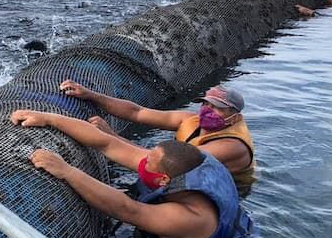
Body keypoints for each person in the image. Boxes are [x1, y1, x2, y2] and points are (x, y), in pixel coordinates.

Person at [10, 110, 255, 238]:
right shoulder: (180, 166)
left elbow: (127, 209)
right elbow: (106, 143)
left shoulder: (189, 217)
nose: (142, 160)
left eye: (149, 162)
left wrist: (66, 171)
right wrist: (48, 119)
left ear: (163, 180)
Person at [58, 80, 257, 197]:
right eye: (206, 104)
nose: (207, 111)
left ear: (235, 116)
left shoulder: (231, 147)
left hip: (223, 192)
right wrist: (91, 95)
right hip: (177, 173)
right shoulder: (190, 120)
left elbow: (157, 166)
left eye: (217, 108)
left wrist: (110, 136)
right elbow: (137, 112)